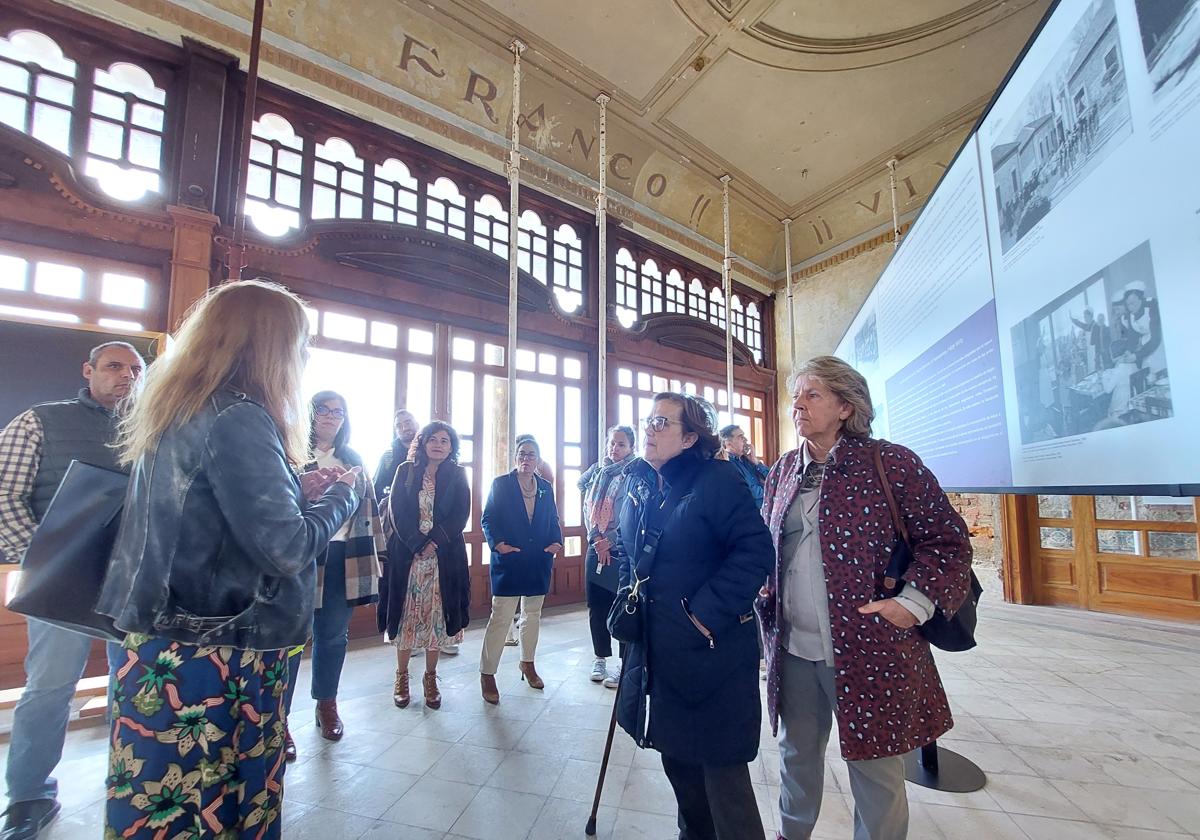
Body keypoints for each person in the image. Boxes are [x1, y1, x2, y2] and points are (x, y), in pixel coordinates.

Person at [97, 279, 360, 839]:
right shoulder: (240, 416)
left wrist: (293, 488)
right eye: (300, 344)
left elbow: (209, 513)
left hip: (161, 642)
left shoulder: (177, 407)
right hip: (221, 650)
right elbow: (285, 548)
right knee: (216, 806)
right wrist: (344, 495)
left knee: (160, 806)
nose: (302, 358)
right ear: (268, 345)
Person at [759, 356, 972, 840]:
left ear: (845, 405)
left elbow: (949, 542)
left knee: (875, 769)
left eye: (812, 394)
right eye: (796, 395)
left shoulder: (890, 462)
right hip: (792, 648)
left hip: (868, 648)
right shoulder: (784, 469)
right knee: (796, 756)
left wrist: (911, 604)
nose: (798, 404)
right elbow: (766, 541)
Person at [0, 341, 144, 840]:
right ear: (88, 371)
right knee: (50, 687)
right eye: (114, 366)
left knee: (134, 687)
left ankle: (131, 781)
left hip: (130, 583)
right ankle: (28, 795)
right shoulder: (39, 420)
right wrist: (50, 559)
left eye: (135, 367)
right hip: (59, 583)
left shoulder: (154, 430)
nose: (126, 375)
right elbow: (6, 496)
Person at [615, 393, 774, 840]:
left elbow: (756, 550)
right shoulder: (645, 483)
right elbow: (631, 551)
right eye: (648, 420)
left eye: (661, 422)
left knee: (723, 777)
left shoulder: (717, 480)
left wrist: (702, 616)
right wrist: (628, 599)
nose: (649, 428)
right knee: (679, 763)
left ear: (689, 437)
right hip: (661, 651)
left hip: (711, 653)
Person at [282, 391, 384, 755]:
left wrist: (379, 556)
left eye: (337, 412)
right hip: (302, 551)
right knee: (290, 638)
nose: (329, 417)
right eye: (322, 410)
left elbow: (370, 510)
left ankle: (326, 703)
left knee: (333, 635)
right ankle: (278, 719)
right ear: (309, 415)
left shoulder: (353, 458)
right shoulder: (288, 450)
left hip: (345, 554)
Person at [379, 421, 471, 709]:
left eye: (445, 440)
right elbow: (397, 510)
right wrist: (418, 542)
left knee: (437, 618)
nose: (439, 445)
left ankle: (431, 677)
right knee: (405, 616)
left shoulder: (457, 474)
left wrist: (434, 541)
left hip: (444, 557)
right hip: (408, 556)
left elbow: (460, 513)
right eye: (433, 439)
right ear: (423, 442)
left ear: (451, 446)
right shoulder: (404, 471)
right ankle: (402, 676)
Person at [478, 434, 562, 703]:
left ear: (538, 460)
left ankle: (528, 662)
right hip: (510, 560)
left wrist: (556, 542)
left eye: (531, 455)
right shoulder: (501, 484)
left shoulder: (546, 486)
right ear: (516, 458)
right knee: (501, 617)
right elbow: (488, 518)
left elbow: (553, 518)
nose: (526, 459)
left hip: (538, 559)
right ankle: (487, 673)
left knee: (533, 614)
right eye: (522, 454)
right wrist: (498, 544)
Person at [580, 424, 637, 687]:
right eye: (612, 443)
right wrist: (596, 538)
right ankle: (600, 657)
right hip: (595, 544)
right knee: (596, 605)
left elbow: (631, 515)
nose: (615, 449)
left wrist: (610, 541)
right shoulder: (599, 473)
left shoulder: (633, 473)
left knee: (623, 605)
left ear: (631, 448)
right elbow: (586, 507)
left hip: (622, 550)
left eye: (621, 444)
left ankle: (624, 664)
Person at [718, 424, 770, 509]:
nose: (746, 440)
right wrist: (771, 491)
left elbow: (773, 478)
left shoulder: (748, 460)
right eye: (740, 437)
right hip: (749, 514)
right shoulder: (726, 464)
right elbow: (749, 491)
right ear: (728, 444)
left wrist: (756, 462)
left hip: (766, 512)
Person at [374, 408, 418, 502]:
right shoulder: (388, 457)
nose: (405, 428)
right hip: (396, 511)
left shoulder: (430, 452)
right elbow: (377, 488)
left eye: (408, 423)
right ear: (396, 431)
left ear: (417, 424)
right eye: (399, 426)